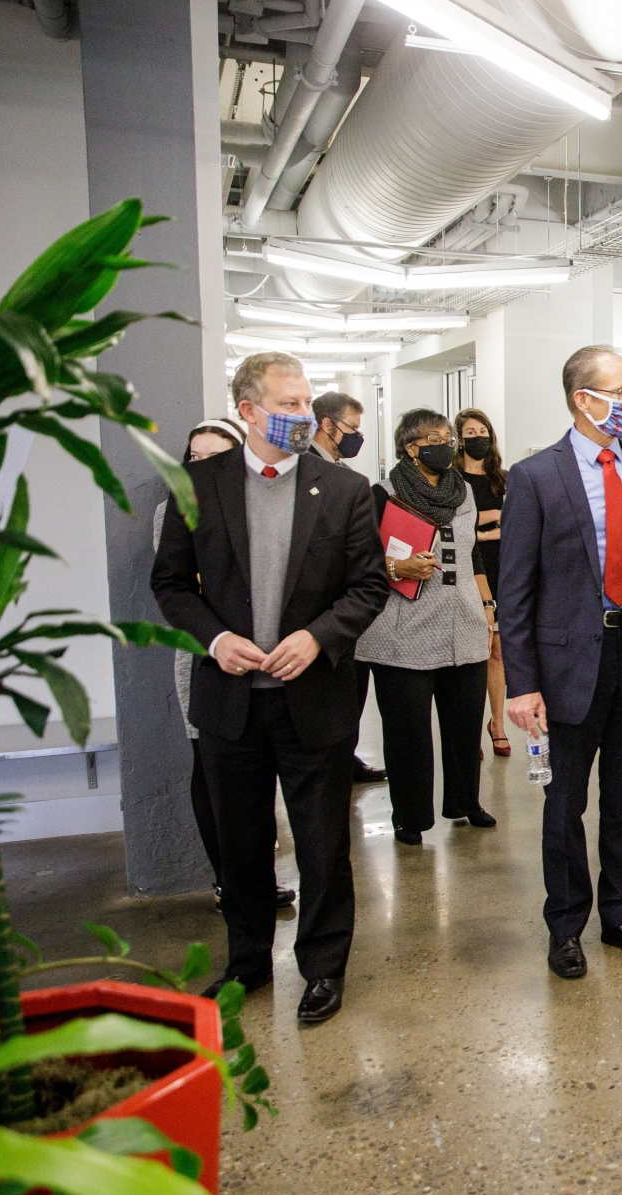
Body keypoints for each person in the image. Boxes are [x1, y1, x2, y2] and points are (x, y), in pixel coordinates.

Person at [152, 351, 388, 1024]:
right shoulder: (198, 485)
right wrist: (215, 640)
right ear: (248, 411)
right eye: (288, 405)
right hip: (230, 702)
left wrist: (317, 637)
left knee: (323, 844)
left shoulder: (342, 489)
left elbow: (369, 586)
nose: (303, 415)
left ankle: (323, 968)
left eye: (306, 402)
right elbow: (171, 584)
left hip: (315, 700)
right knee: (241, 845)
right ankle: (247, 962)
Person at [499, 346, 622, 981]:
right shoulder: (535, 477)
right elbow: (515, 592)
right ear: (584, 399)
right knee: (564, 806)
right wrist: (522, 684)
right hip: (567, 665)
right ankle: (566, 926)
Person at [154, 418, 297, 912]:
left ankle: (260, 877)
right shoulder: (176, 506)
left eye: (215, 455)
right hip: (207, 657)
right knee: (211, 769)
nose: (203, 465)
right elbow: (180, 584)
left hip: (273, 661)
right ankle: (228, 881)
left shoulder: (269, 499)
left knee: (263, 777)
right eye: (194, 457)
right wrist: (218, 634)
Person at [357, 408, 499, 845]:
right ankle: (410, 817)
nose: (445, 445)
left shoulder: (463, 491)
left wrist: (487, 604)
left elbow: (473, 552)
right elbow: (356, 559)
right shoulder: (383, 494)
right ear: (410, 448)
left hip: (463, 623)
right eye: (433, 439)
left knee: (464, 725)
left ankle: (466, 801)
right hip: (403, 630)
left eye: (447, 438)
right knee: (408, 734)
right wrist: (397, 566)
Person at [306, 390, 387, 786]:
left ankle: (346, 759)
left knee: (351, 692)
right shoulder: (308, 473)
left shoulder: (345, 477)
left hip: (349, 608)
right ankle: (335, 764)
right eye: (352, 429)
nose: (357, 437)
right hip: (321, 612)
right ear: (327, 424)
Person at [454, 407, 510, 760]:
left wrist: (485, 526)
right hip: (466, 568)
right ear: (459, 440)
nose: (478, 438)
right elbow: (450, 528)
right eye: (471, 433)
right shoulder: (451, 480)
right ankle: (469, 728)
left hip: (500, 569)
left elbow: (518, 520)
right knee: (471, 654)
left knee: (497, 650)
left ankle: (498, 724)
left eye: (483, 431)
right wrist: (490, 524)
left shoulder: (502, 478)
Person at [309, 392, 367, 465]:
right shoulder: (304, 466)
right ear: (328, 425)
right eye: (352, 427)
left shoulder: (342, 468)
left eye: (356, 429)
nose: (357, 435)